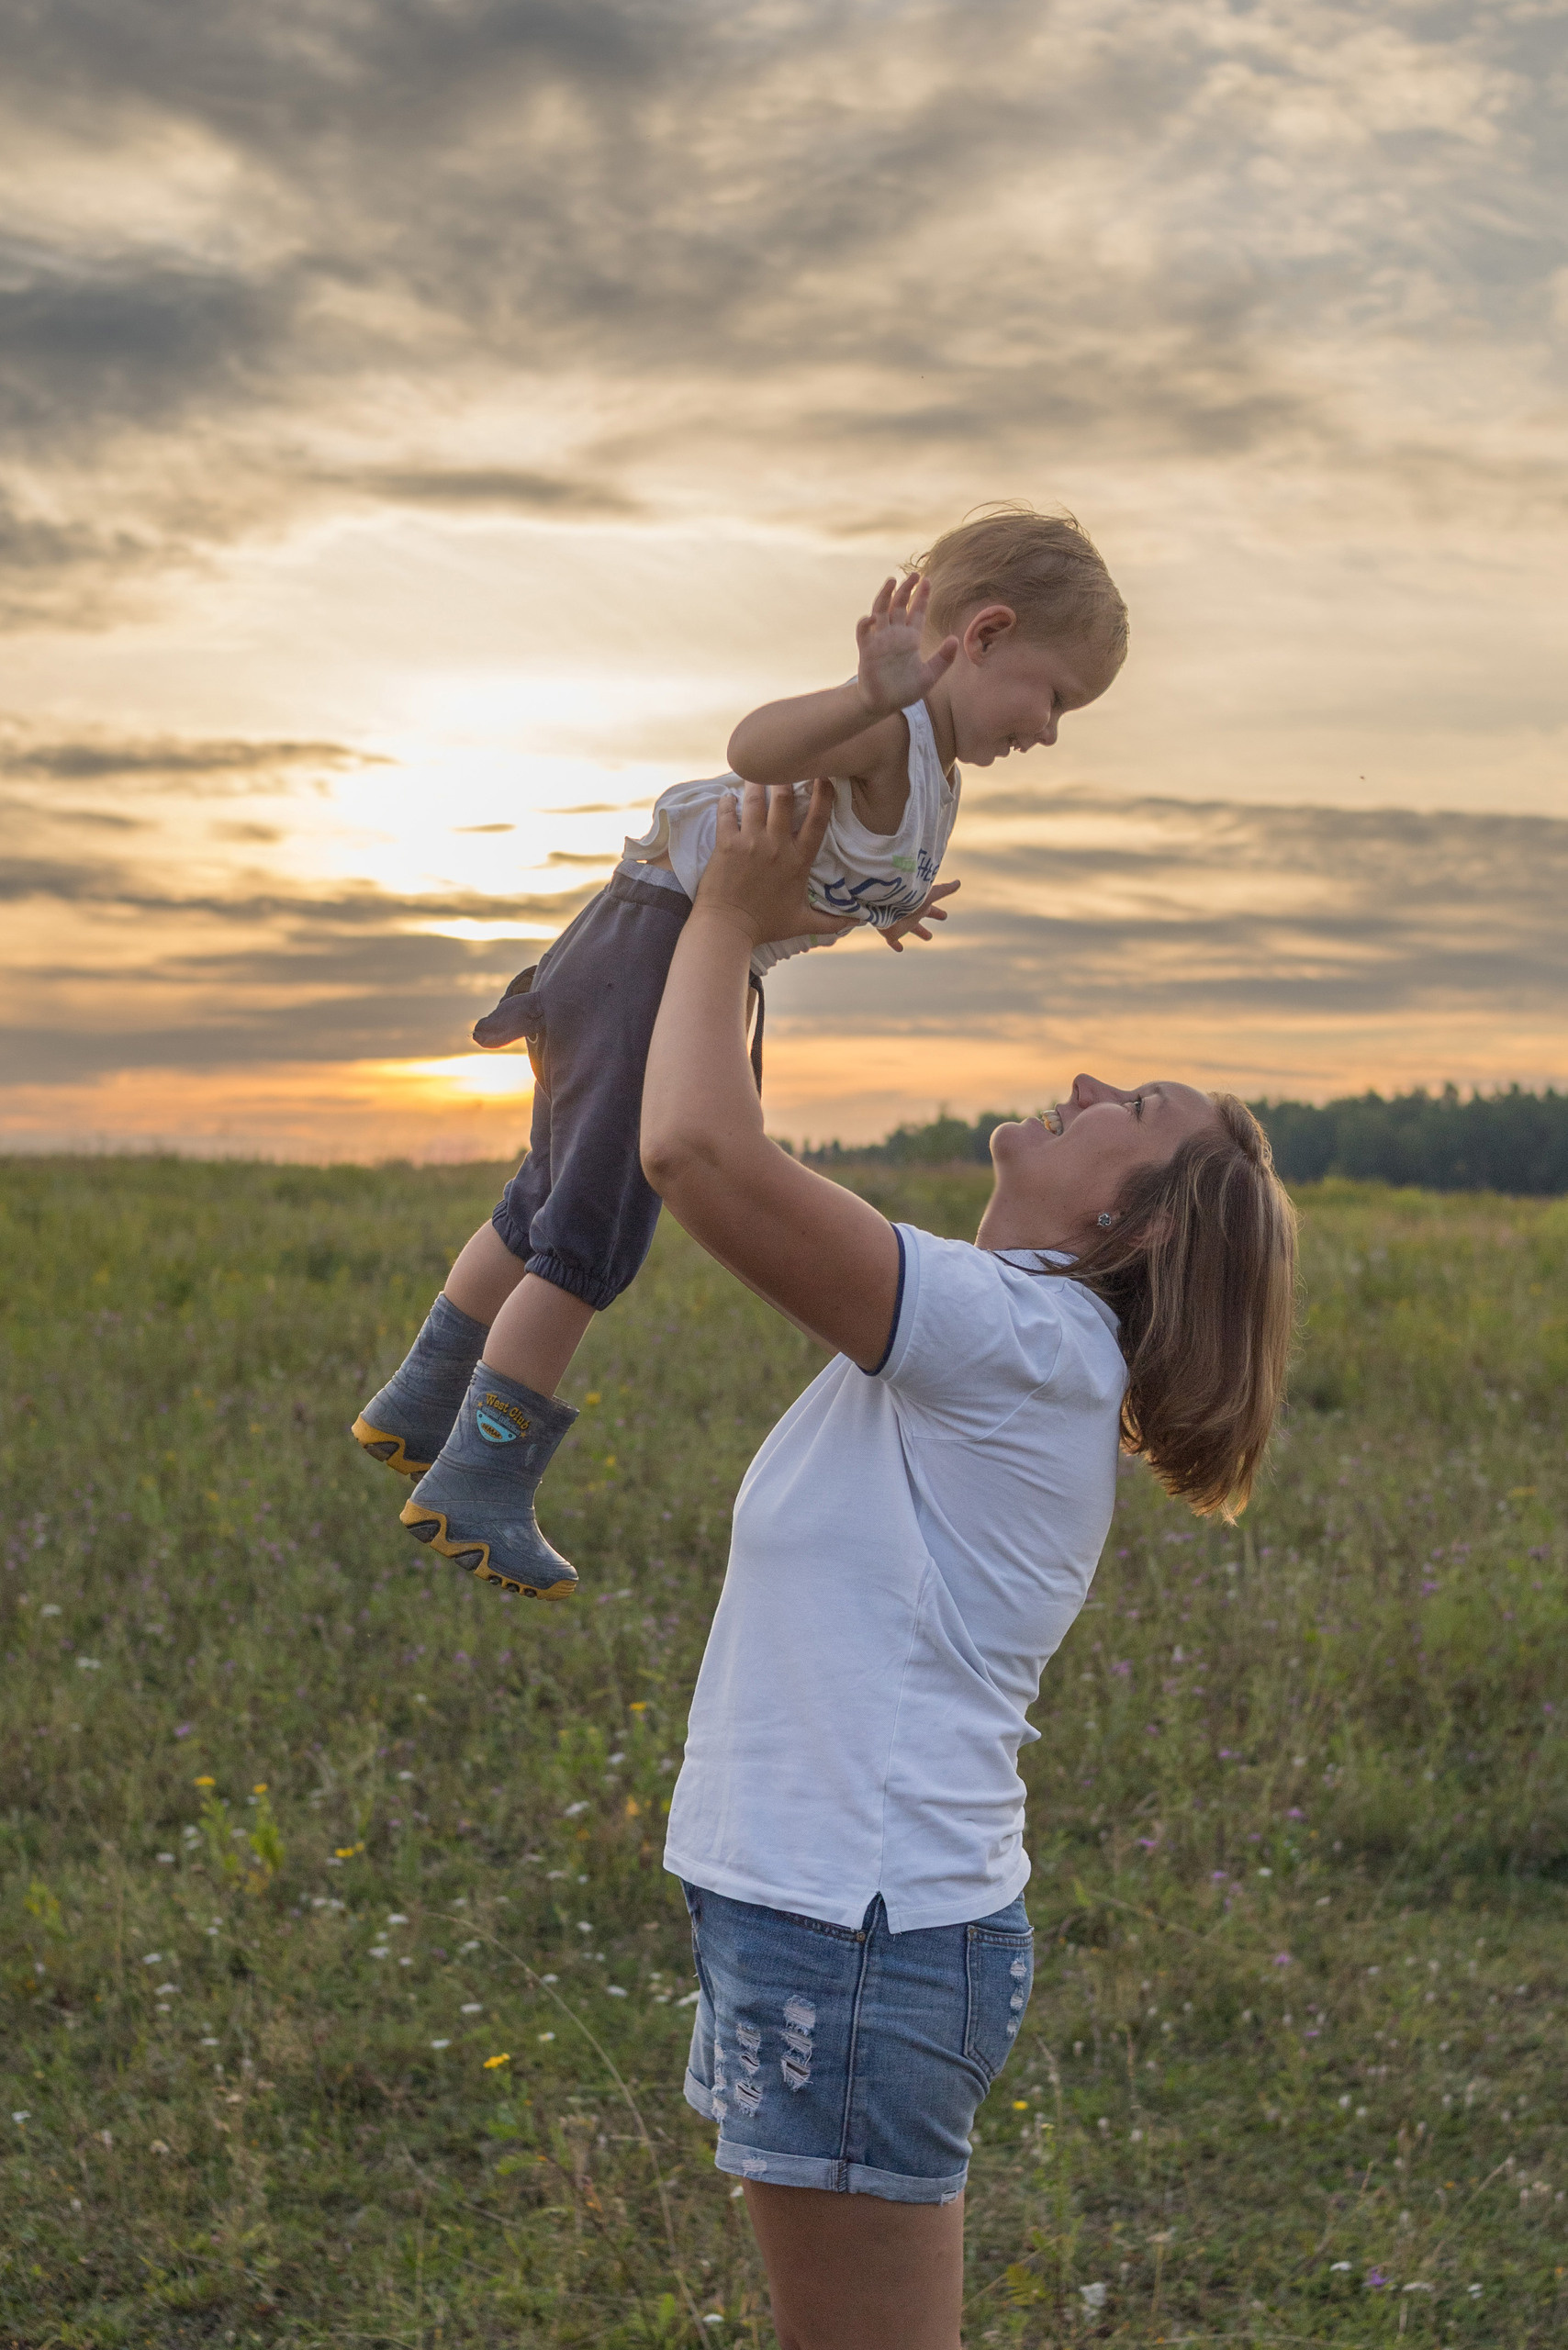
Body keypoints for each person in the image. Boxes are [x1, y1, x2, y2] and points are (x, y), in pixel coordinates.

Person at [637, 780, 1298, 2350]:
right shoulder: (986, 1337)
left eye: (1129, 1106)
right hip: (821, 1917)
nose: (1082, 1079)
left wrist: (728, 911)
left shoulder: (1013, 1342)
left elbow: (691, 1152)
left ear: (1127, 1225)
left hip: (856, 1937)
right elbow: (715, 1134)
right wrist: (765, 934)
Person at [350, 508, 1128, 1596]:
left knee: (547, 1196)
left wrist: (890, 905)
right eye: (1055, 696)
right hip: (652, 945)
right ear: (986, 635)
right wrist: (867, 691)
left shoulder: (933, 770)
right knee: (590, 1230)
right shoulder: (887, 727)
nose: (1047, 729)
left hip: (659, 952)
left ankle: (419, 1402)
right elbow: (751, 751)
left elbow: (833, 859)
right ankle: (478, 1475)